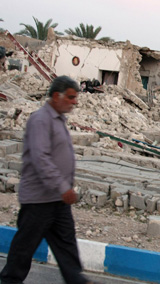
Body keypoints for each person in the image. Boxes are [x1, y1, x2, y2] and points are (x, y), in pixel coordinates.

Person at [0, 76, 94, 284]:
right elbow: (40, 158)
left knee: (66, 245)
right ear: (55, 96)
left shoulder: (59, 119)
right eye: (70, 97)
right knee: (23, 249)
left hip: (57, 200)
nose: (74, 102)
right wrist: (63, 187)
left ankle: (77, 281)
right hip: (38, 200)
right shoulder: (40, 120)